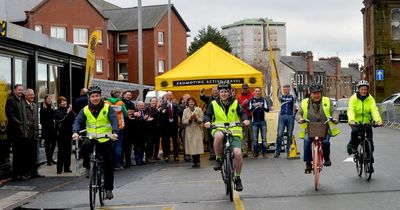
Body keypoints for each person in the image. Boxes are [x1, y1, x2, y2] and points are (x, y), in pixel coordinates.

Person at [72, 85, 119, 200]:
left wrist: (114, 132)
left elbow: (114, 120)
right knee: (84, 145)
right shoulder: (85, 109)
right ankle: (88, 166)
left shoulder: (108, 108)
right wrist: (75, 132)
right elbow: (77, 121)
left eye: (97, 96)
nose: (95, 98)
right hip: (92, 139)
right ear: (89, 98)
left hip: (106, 139)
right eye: (93, 96)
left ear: (100, 96)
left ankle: (108, 189)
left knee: (108, 165)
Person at [204, 81, 250, 191]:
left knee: (238, 154)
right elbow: (208, 115)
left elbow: (242, 113)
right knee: (218, 137)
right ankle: (219, 158)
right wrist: (207, 122)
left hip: (234, 129)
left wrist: (245, 119)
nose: (224, 93)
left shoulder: (235, 102)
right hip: (219, 128)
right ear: (219, 93)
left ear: (229, 92)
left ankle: (237, 178)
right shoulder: (213, 103)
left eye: (226, 91)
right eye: (222, 91)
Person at [295, 83, 340, 173]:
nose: (317, 95)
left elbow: (333, 111)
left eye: (318, 93)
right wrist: (300, 119)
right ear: (310, 93)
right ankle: (308, 163)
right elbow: (298, 113)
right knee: (307, 141)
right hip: (310, 128)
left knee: (326, 142)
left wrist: (335, 118)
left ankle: (326, 158)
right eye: (314, 93)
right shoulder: (304, 102)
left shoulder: (327, 101)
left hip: (324, 127)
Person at [347, 80, 382, 172]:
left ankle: (370, 164)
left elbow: (374, 110)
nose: (364, 91)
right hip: (356, 122)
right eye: (362, 89)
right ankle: (354, 147)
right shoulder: (353, 98)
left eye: (365, 89)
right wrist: (352, 120)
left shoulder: (370, 98)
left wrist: (378, 121)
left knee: (370, 143)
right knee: (354, 132)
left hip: (367, 122)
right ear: (358, 89)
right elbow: (351, 110)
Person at [6, 84, 29, 180]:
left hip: (23, 132)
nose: (20, 92)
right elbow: (10, 115)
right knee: (17, 155)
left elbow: (24, 115)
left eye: (22, 90)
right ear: (14, 90)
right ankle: (16, 175)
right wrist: (19, 124)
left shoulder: (22, 100)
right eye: (19, 90)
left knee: (22, 154)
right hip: (15, 132)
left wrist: (26, 124)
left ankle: (22, 173)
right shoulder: (11, 100)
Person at [105, 89, 128, 170]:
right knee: (118, 146)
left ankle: (109, 164)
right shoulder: (121, 103)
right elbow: (125, 114)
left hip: (108, 127)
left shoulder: (106, 103)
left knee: (108, 146)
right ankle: (118, 164)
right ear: (118, 95)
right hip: (119, 127)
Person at [274, 82, 297, 158]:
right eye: (284, 88)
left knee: (289, 134)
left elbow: (296, 95)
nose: (285, 89)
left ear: (289, 89)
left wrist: (294, 88)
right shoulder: (281, 97)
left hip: (290, 116)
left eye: (287, 88)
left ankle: (288, 150)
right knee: (279, 134)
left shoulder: (292, 97)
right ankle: (277, 151)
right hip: (282, 117)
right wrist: (278, 88)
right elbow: (278, 95)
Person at [24, 88, 44, 178]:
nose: (32, 96)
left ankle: (34, 172)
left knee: (34, 154)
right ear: (26, 96)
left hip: (35, 134)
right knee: (27, 155)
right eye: (30, 95)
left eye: (33, 95)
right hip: (27, 134)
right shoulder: (23, 105)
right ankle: (27, 172)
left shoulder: (35, 105)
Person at [54, 96, 75, 174]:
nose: (64, 102)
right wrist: (67, 113)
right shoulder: (57, 111)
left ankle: (67, 167)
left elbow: (74, 119)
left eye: (65, 101)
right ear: (59, 103)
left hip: (68, 133)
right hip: (61, 134)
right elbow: (61, 120)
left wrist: (71, 111)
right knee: (61, 152)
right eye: (62, 101)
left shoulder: (69, 111)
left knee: (68, 151)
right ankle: (59, 169)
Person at [182, 97, 204, 168]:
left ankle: (198, 161)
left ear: (194, 102)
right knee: (192, 147)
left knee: (197, 146)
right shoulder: (185, 111)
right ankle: (194, 161)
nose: (191, 103)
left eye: (192, 102)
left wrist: (196, 118)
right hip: (189, 130)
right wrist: (190, 119)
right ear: (187, 103)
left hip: (197, 129)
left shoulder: (199, 109)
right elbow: (183, 121)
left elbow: (202, 119)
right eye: (189, 102)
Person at [248, 87, 269, 157]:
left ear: (260, 92)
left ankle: (264, 152)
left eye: (258, 91)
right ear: (254, 92)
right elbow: (249, 110)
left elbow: (267, 110)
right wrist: (254, 106)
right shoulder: (251, 100)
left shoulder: (263, 99)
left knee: (264, 138)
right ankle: (256, 152)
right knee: (254, 138)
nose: (257, 92)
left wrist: (261, 106)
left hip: (262, 121)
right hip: (255, 122)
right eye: (256, 91)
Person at [200, 86, 218, 160]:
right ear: (211, 91)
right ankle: (212, 154)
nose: (215, 91)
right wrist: (201, 92)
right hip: (210, 120)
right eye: (214, 90)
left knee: (219, 137)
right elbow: (202, 97)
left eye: (216, 90)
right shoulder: (209, 98)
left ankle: (219, 153)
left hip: (219, 120)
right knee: (210, 138)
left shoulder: (222, 98)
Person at [159, 91, 179, 161]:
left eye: (170, 95)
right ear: (166, 96)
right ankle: (166, 155)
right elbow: (161, 112)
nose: (169, 97)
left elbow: (177, 113)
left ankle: (176, 156)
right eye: (168, 95)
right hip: (165, 125)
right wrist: (166, 107)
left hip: (173, 125)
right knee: (165, 141)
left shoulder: (175, 104)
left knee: (175, 141)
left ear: (172, 96)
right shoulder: (163, 104)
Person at [237, 83, 253, 158]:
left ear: (248, 88)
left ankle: (254, 150)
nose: (245, 89)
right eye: (244, 88)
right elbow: (238, 107)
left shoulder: (252, 95)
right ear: (242, 89)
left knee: (252, 134)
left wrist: (249, 102)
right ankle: (244, 151)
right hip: (243, 118)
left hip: (251, 117)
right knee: (244, 135)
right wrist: (244, 103)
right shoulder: (239, 97)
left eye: (246, 88)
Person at [40, 95, 57, 166]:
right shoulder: (43, 108)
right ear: (45, 100)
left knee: (53, 144)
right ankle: (48, 160)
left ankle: (50, 158)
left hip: (53, 129)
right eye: (48, 99)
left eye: (50, 99)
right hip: (47, 129)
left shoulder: (53, 107)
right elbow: (42, 120)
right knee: (47, 145)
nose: (50, 100)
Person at [130, 101, 148, 165]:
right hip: (136, 133)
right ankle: (137, 160)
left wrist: (146, 120)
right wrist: (143, 119)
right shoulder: (134, 113)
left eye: (142, 105)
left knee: (143, 147)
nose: (141, 107)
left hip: (144, 133)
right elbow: (135, 122)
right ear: (137, 106)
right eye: (140, 105)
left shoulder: (145, 112)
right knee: (137, 147)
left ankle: (141, 159)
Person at [145, 97, 161, 161]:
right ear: (150, 102)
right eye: (153, 101)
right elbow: (150, 115)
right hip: (150, 128)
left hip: (157, 128)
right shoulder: (148, 108)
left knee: (157, 142)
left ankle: (155, 155)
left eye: (155, 101)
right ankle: (149, 156)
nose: (154, 102)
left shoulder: (157, 109)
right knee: (150, 143)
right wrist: (157, 110)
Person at [122, 91, 135, 167]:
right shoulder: (121, 103)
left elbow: (133, 113)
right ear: (124, 95)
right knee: (123, 145)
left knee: (129, 145)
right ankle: (122, 161)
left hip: (130, 127)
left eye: (130, 95)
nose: (129, 96)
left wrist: (131, 113)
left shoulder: (132, 104)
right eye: (127, 95)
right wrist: (127, 113)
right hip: (123, 127)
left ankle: (128, 161)